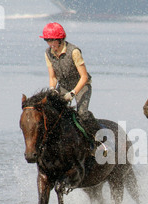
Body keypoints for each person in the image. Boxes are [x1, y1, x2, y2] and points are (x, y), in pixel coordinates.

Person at [40, 22, 104, 154]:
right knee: (52, 111)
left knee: (82, 114)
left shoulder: (74, 51)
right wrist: (52, 90)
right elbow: (53, 78)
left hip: (81, 86)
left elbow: (84, 77)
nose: (51, 44)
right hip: (63, 86)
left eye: (53, 41)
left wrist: (73, 93)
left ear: (60, 39)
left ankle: (99, 139)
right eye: (48, 41)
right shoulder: (48, 53)